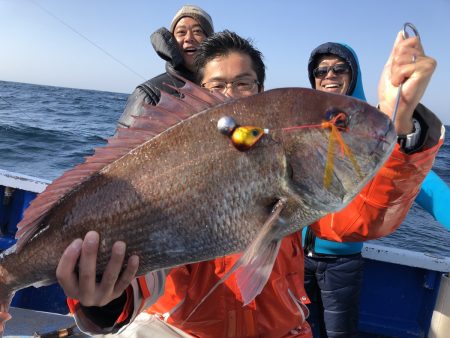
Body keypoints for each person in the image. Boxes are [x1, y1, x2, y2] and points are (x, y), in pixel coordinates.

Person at [55, 31, 443, 338]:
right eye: (217, 87)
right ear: (198, 94)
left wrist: (401, 119)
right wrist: (103, 301)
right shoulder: (173, 163)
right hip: (181, 330)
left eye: (244, 83)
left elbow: (360, 220)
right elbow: (149, 274)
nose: (231, 96)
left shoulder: (288, 160)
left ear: (260, 93)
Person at [303, 42, 450, 337]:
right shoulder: (306, 126)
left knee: (338, 333)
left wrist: (402, 119)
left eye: (339, 68)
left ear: (354, 73)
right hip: (297, 259)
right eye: (321, 70)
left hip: (341, 262)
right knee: (300, 329)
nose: (329, 75)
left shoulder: (376, 127)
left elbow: (421, 180)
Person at [117, 4, 214, 128]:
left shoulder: (223, 89)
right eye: (181, 32)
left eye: (197, 31)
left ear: (210, 40)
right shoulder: (148, 94)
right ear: (172, 41)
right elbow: (125, 146)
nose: (189, 38)